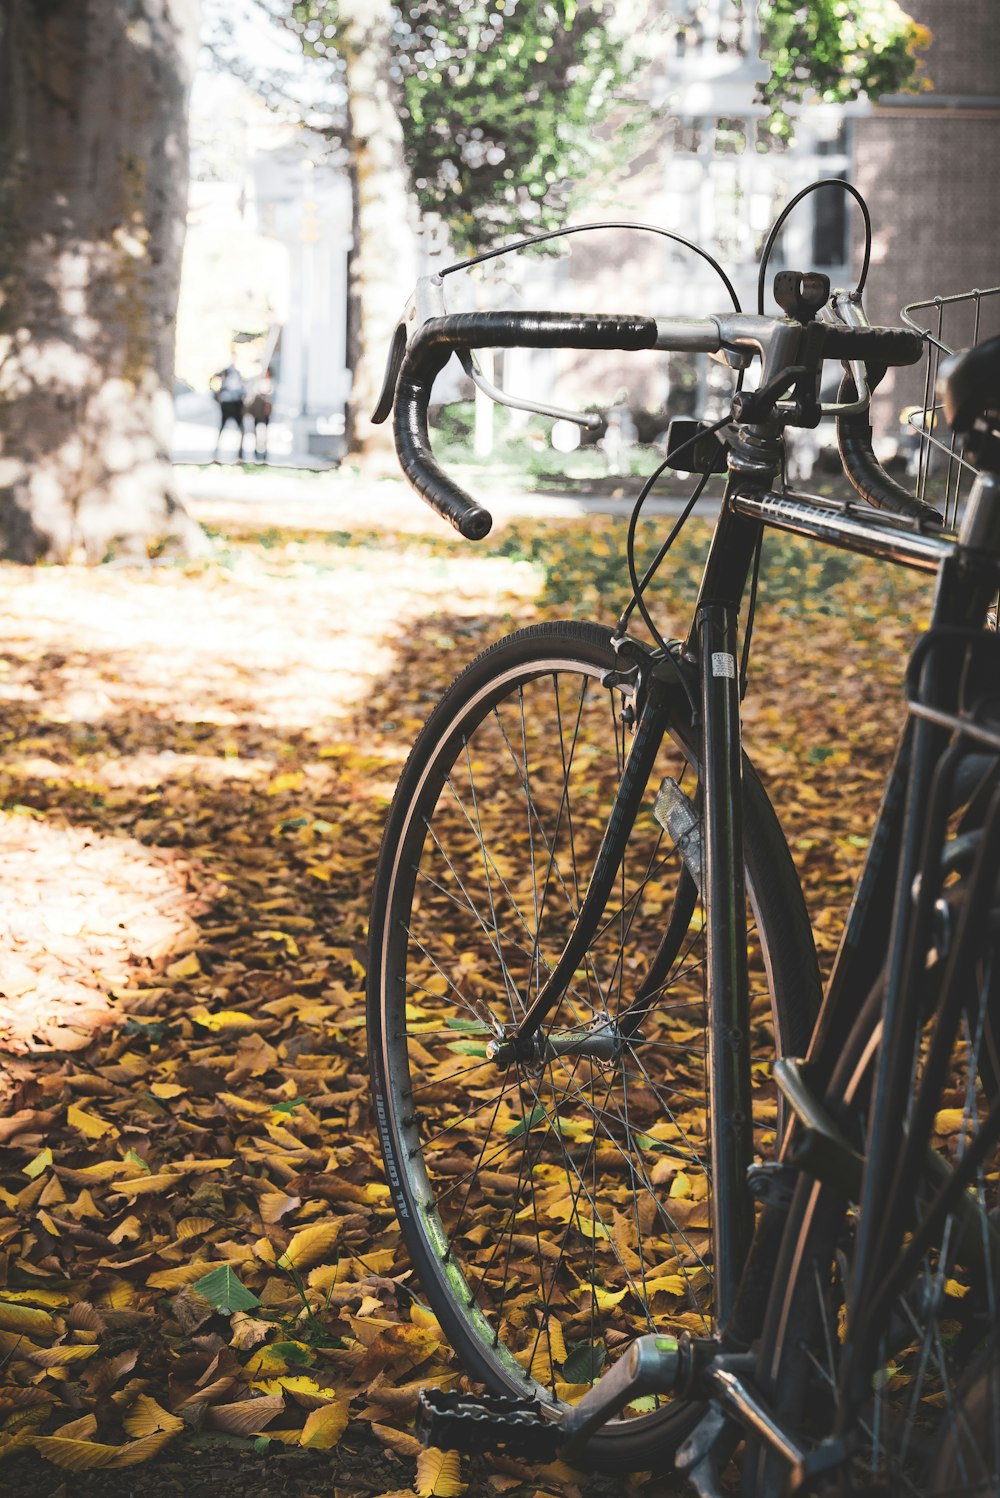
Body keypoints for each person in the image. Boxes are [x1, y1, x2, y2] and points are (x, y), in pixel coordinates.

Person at [210, 362, 246, 461]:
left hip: (237, 404)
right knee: (222, 429)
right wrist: (216, 395)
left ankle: (240, 454)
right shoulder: (224, 372)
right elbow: (213, 380)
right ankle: (216, 453)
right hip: (227, 404)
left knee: (241, 430)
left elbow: (243, 388)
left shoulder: (239, 373)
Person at [246, 368, 275, 462]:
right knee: (256, 432)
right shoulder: (258, 382)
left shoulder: (271, 383)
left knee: (265, 433)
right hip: (258, 412)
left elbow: (271, 395)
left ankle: (264, 452)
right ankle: (256, 451)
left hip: (265, 412)